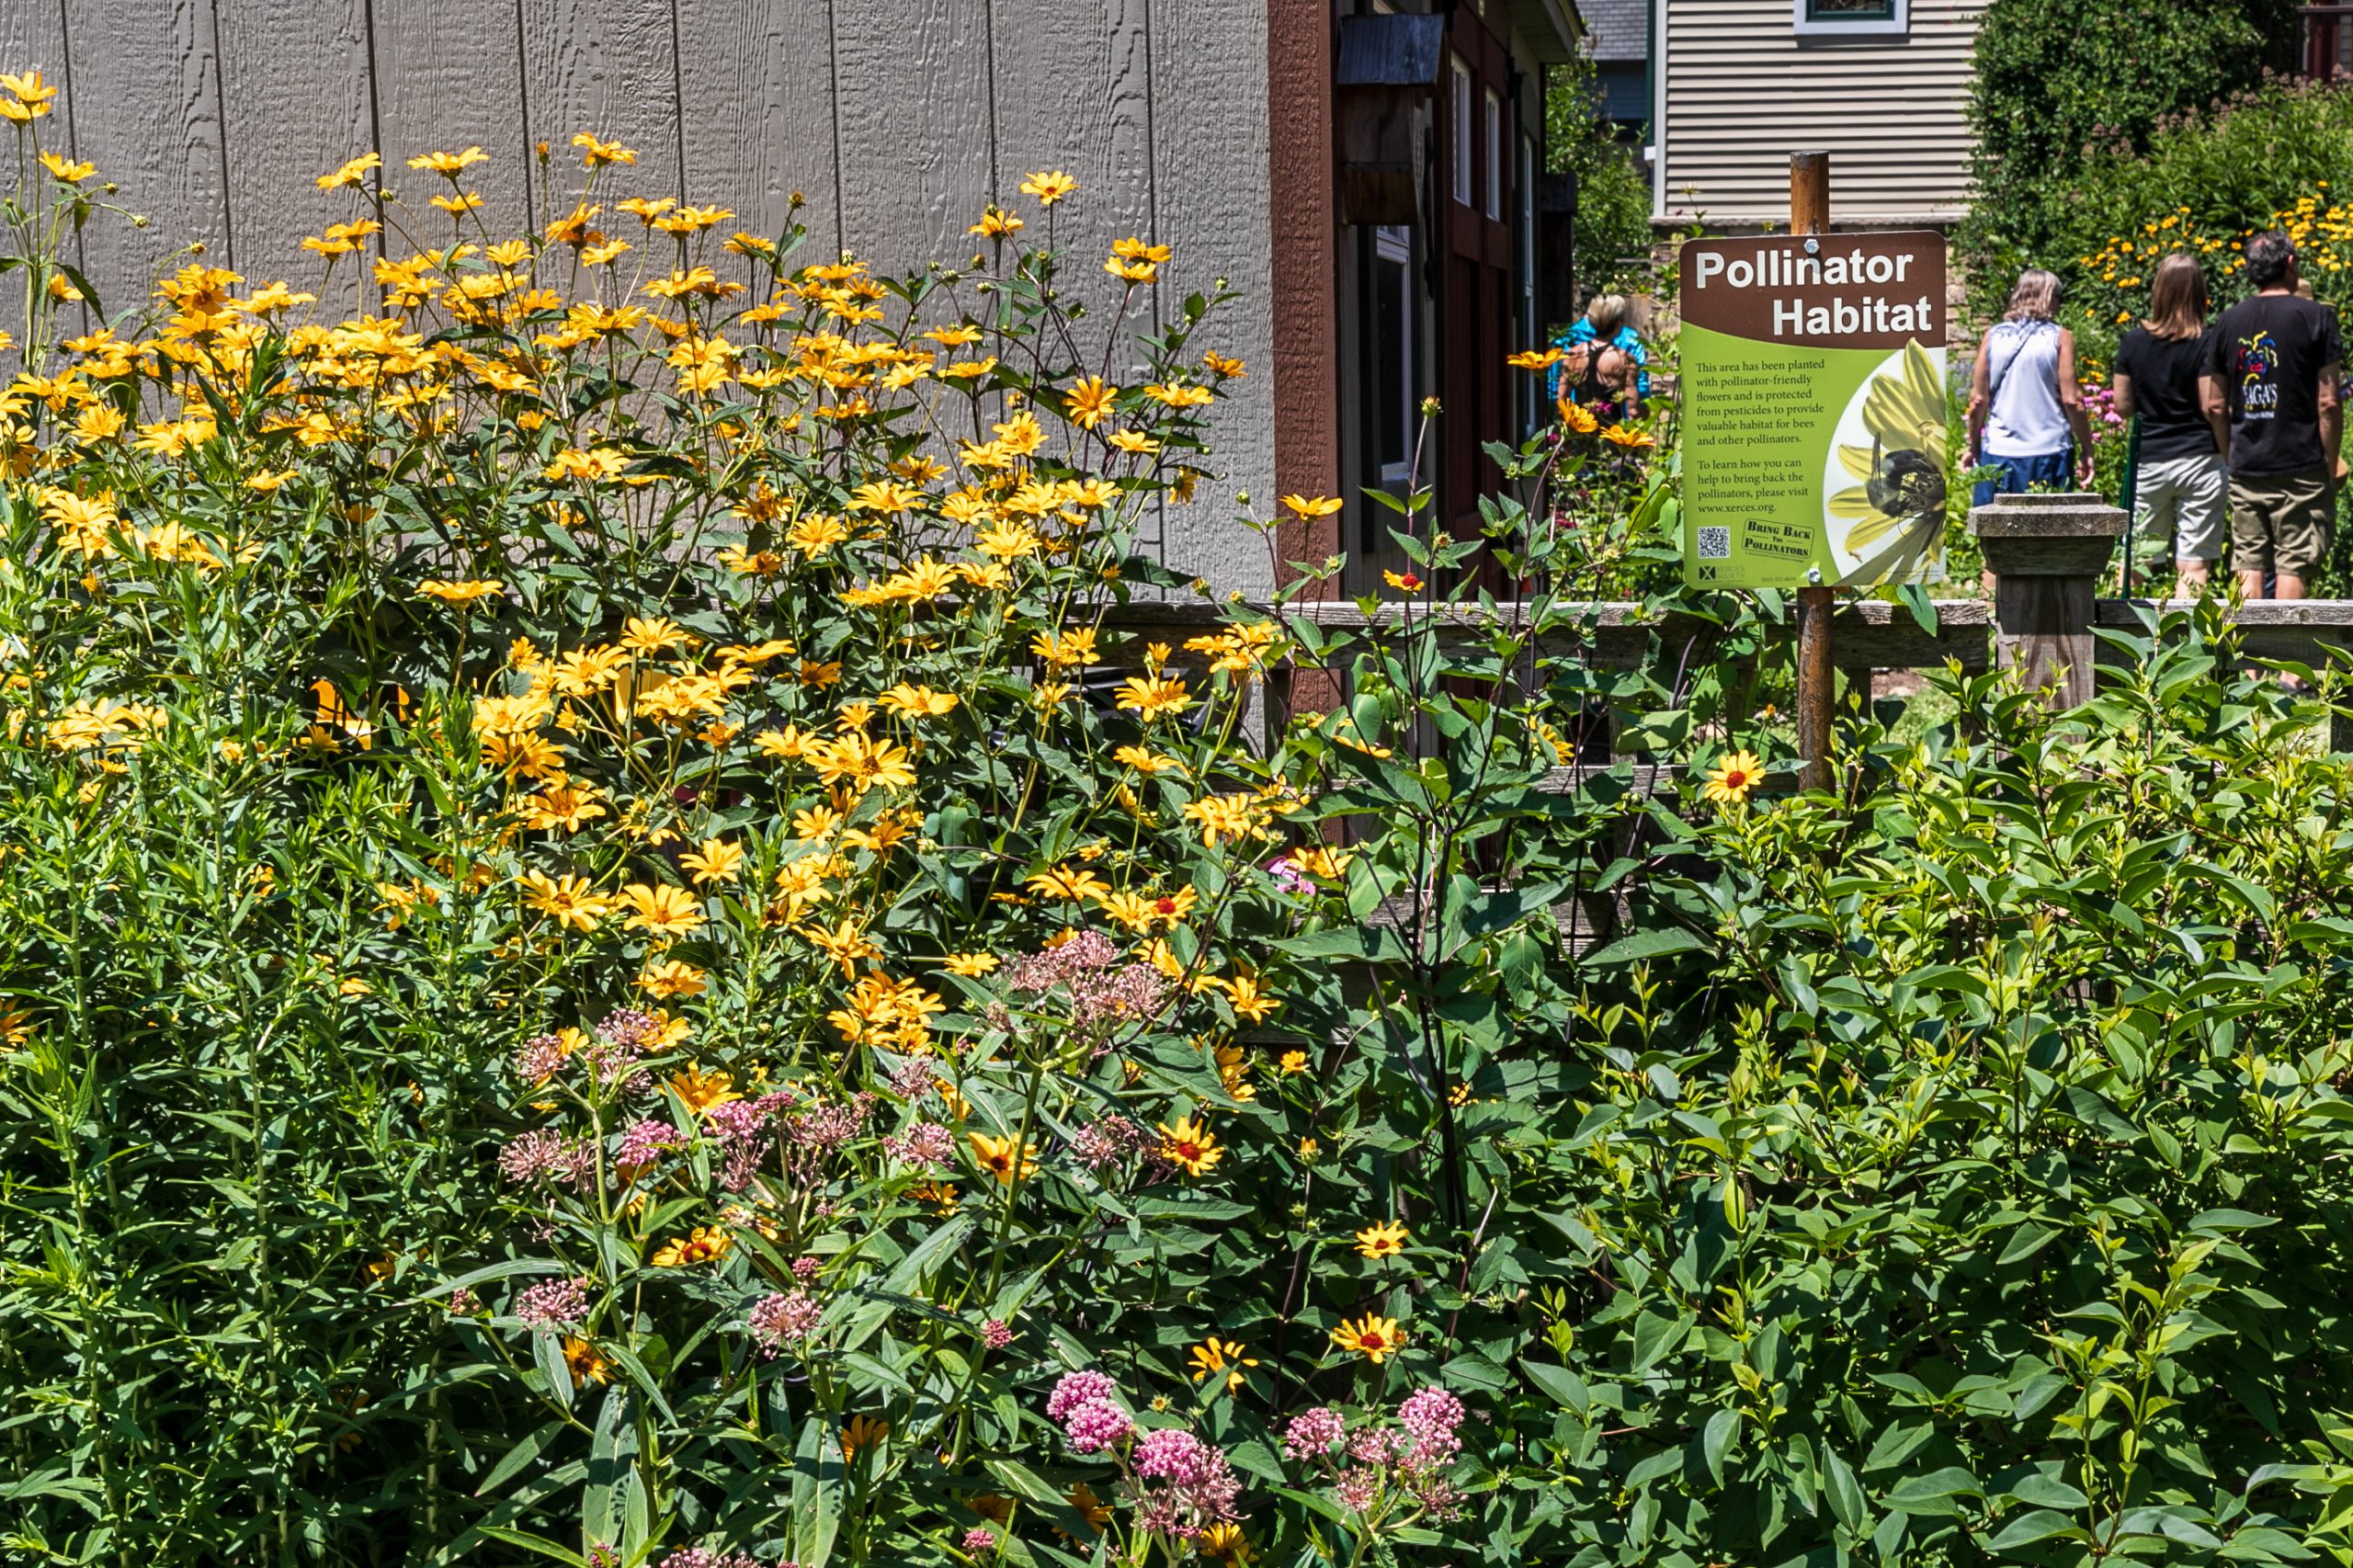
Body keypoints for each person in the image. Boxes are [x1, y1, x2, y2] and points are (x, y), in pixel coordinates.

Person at [2202, 230, 2345, 601]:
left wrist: (2230, 455)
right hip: (2301, 464)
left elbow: (2214, 404)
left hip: (2248, 463)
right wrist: (2328, 463)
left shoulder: (2228, 321)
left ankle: (2246, 660)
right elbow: (2329, 401)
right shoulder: (2317, 317)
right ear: (2291, 264)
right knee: (2293, 564)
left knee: (2248, 563)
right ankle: (2283, 661)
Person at [2113, 253, 2224, 591]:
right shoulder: (2208, 341)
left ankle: (2120, 639)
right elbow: (2211, 404)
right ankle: (2189, 641)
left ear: (2158, 291)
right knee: (2193, 563)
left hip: (2151, 460)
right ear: (2199, 292)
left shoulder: (2132, 342)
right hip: (2201, 459)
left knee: (2137, 557)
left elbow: (2122, 405)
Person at [1967, 268, 2093, 506]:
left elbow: (1978, 400)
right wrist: (2087, 449)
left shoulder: (1993, 336)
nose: (2059, 304)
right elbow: (2072, 400)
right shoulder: (2059, 337)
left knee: (1995, 537)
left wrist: (1972, 447)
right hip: (2050, 450)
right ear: (2048, 298)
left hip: (1999, 452)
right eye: (2058, 297)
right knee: (2049, 536)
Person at [1550, 293, 1645, 420]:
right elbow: (1633, 410)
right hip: (1612, 434)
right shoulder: (1625, 359)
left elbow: (1561, 403)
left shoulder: (1573, 356)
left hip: (1581, 433)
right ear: (1618, 324)